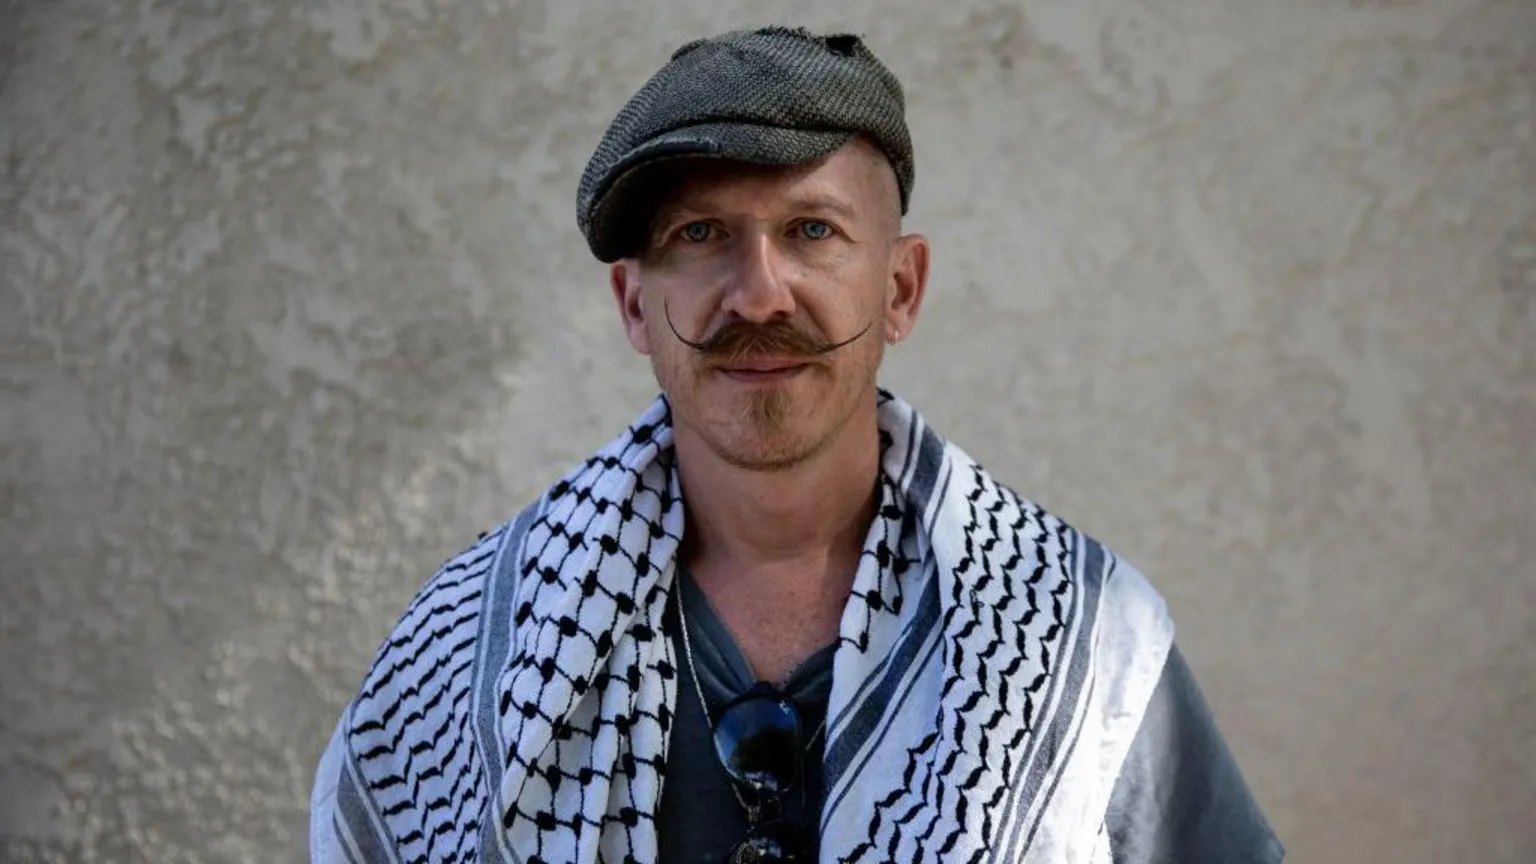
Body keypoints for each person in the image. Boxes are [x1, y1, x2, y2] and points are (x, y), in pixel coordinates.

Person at [309, 25, 1284, 864]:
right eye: (701, 235)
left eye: (812, 229)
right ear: (633, 304)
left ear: (900, 289)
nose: (760, 295)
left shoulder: (1079, 633)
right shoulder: (473, 644)